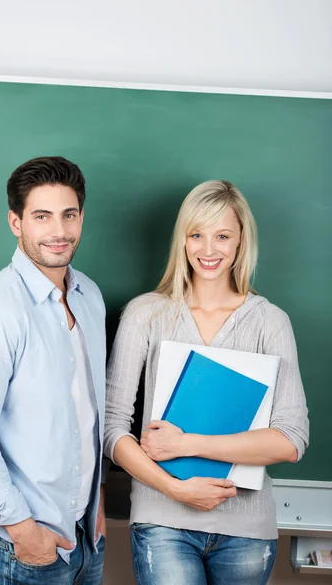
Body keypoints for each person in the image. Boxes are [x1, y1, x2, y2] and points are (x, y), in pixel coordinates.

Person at [104, 180, 309, 585]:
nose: (208, 249)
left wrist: (186, 444)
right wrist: (175, 489)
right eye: (196, 234)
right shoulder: (145, 315)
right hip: (162, 522)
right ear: (182, 239)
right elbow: (111, 428)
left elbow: (291, 439)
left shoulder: (270, 322)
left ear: (240, 242)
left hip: (247, 530)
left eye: (222, 236)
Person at [0, 156, 107, 585]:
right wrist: (22, 530)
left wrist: (97, 508)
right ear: (16, 223)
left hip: (84, 533)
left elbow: (87, 416)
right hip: (18, 541)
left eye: (68, 215)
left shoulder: (90, 297)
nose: (59, 231)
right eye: (42, 216)